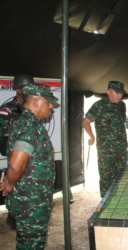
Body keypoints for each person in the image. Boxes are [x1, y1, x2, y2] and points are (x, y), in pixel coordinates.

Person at [0, 83, 58, 249]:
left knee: (27, 241)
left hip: (30, 198)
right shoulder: (29, 127)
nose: (51, 106)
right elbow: (17, 165)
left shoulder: (26, 123)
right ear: (35, 102)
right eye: (48, 102)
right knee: (32, 243)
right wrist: (10, 183)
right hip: (31, 202)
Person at [82, 81, 128, 197]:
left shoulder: (122, 105)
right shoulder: (99, 105)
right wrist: (92, 137)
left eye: (121, 93)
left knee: (122, 176)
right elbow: (85, 122)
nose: (120, 95)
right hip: (106, 151)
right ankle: (105, 206)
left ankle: (119, 202)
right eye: (117, 92)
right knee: (106, 178)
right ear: (108, 91)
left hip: (121, 149)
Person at [0, 73, 33, 230]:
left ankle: (25, 214)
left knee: (28, 185)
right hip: (15, 154)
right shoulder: (7, 110)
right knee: (16, 183)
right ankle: (13, 217)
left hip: (30, 155)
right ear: (18, 90)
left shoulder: (30, 107)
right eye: (26, 88)